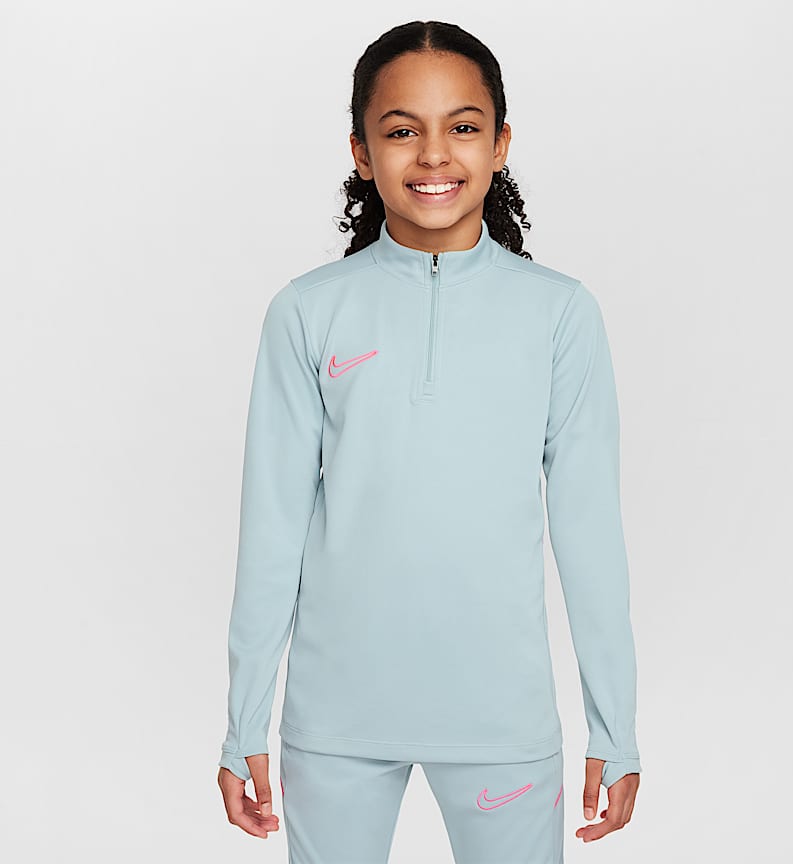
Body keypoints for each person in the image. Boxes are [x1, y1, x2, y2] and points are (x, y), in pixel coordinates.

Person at [216, 19, 642, 862]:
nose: (435, 154)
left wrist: (615, 727)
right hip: (334, 723)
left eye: (464, 126)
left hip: (501, 720)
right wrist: (242, 724)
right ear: (362, 152)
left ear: (501, 144)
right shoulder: (307, 312)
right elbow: (271, 531)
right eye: (403, 130)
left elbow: (590, 535)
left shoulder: (559, 314)